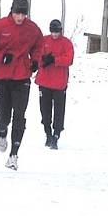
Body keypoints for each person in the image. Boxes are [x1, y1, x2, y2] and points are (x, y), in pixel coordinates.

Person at [0, 0, 44, 170]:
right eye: (17, 14)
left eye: (23, 14)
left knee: (19, 116)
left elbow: (39, 45)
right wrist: (0, 57)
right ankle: (2, 131)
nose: (20, 18)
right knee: (4, 115)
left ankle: (14, 155)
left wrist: (35, 60)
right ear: (12, 11)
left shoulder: (32, 29)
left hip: (22, 76)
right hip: (1, 76)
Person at [35, 19, 75, 150]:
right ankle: (47, 132)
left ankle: (56, 134)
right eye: (53, 32)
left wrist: (54, 59)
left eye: (57, 32)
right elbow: (36, 56)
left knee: (59, 111)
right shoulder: (43, 41)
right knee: (45, 110)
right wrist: (42, 61)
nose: (55, 34)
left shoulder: (66, 43)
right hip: (44, 81)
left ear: (61, 30)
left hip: (59, 83)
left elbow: (69, 59)